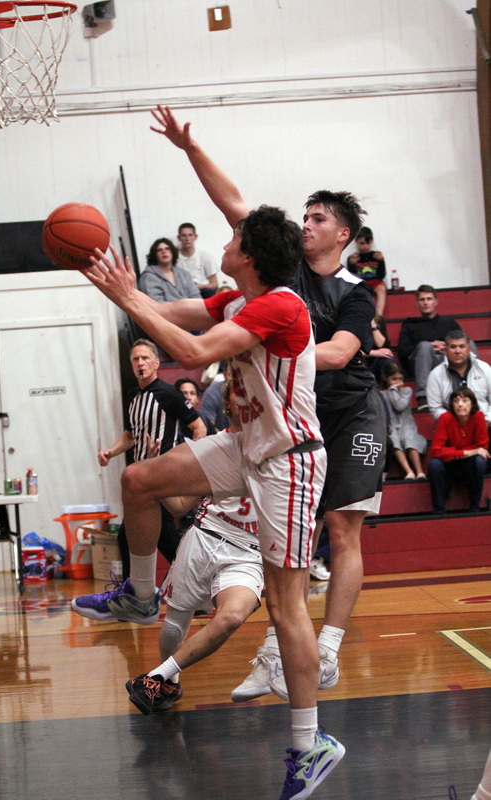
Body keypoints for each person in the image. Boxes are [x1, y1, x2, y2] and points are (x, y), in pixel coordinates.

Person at [77, 200, 344, 798]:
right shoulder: (238, 298)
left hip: (288, 461)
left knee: (286, 607)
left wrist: (128, 298)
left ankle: (311, 744)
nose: (224, 243)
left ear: (249, 257)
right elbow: (171, 312)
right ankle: (140, 595)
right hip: (245, 444)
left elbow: (195, 352)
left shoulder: (279, 305)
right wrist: (116, 289)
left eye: (233, 238)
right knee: (138, 480)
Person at [146, 106, 386, 710]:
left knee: (341, 528)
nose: (306, 224)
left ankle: (326, 648)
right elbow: (233, 203)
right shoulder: (281, 268)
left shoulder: (355, 292)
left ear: (344, 235)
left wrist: (268, 343)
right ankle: (281, 651)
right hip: (296, 413)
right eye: (304, 215)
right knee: (291, 551)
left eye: (318, 218)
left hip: (351, 411)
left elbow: (341, 352)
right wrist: (189, 149)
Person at [126, 381, 264, 714]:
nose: (245, 397)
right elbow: (178, 506)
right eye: (238, 391)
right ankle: (169, 683)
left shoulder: (280, 447)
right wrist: (156, 478)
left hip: (249, 552)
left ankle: (157, 677)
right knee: (175, 623)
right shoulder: (211, 448)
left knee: (231, 617)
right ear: (228, 403)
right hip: (205, 537)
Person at [71, 339, 206, 596]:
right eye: (136, 359)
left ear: (156, 363)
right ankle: (185, 588)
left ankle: (142, 593)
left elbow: (199, 428)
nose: (140, 363)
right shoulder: (133, 397)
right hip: (142, 479)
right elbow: (130, 435)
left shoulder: (169, 394)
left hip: (163, 477)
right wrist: (110, 452)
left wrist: (185, 463)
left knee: (140, 535)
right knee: (143, 536)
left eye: (145, 358)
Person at [397, 285, 461, 410]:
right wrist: (429, 345)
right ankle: (423, 397)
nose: (425, 303)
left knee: (468, 344)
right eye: (422, 299)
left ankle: (471, 389)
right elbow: (402, 353)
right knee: (425, 346)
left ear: (435, 302)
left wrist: (448, 348)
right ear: (417, 303)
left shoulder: (449, 323)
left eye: (429, 299)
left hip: (445, 360)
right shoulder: (410, 324)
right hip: (419, 364)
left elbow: (463, 344)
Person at [428, 387, 489, 514]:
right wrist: (467, 452)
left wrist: (453, 452)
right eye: (456, 401)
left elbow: (482, 446)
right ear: (452, 405)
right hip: (449, 464)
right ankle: (439, 510)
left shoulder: (478, 416)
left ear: (472, 403)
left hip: (468, 465)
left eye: (465, 400)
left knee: (480, 461)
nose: (460, 404)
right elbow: (436, 451)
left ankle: (474, 507)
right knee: (434, 464)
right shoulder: (445, 418)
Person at [426, 330, 491, 428]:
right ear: (445, 350)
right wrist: (453, 424)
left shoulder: (484, 368)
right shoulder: (435, 375)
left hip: (485, 424)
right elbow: (435, 408)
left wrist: (486, 420)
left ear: (469, 349)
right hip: (451, 427)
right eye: (453, 347)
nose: (457, 351)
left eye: (462, 346)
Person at [381, 361, 427, 480]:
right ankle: (409, 471)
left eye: (400, 379)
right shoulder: (382, 394)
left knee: (408, 438)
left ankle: (419, 471)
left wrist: (393, 390)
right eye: (394, 379)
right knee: (394, 440)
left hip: (406, 425)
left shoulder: (407, 391)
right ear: (386, 378)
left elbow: (399, 406)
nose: (397, 382)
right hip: (392, 426)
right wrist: (392, 390)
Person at [138, 237, 201, 302]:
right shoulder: (148, 277)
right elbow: (156, 303)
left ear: (172, 252)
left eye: (167, 249)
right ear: (154, 255)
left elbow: (196, 297)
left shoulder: (184, 274)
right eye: (159, 250)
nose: (164, 252)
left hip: (190, 308)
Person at [346, 226, 387, 316]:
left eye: (367, 243)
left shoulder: (376, 256)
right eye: (362, 243)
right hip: (361, 283)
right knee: (361, 293)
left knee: (382, 289)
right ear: (356, 242)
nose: (365, 246)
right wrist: (352, 264)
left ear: (371, 241)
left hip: (375, 282)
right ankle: (368, 316)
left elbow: (382, 275)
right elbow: (350, 277)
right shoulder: (353, 258)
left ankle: (378, 316)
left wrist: (381, 261)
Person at [177, 222, 219, 297]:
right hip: (181, 291)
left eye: (190, 235)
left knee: (208, 292)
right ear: (179, 238)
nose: (187, 239)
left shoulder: (205, 256)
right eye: (184, 235)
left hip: (201, 290)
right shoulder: (173, 257)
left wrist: (200, 286)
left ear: (195, 237)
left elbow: (215, 284)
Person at [367, 313, 395, 383]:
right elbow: (351, 352)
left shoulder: (378, 320)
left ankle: (388, 388)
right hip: (358, 362)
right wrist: (375, 353)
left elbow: (381, 345)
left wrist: (373, 324)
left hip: (374, 363)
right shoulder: (352, 321)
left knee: (387, 357)